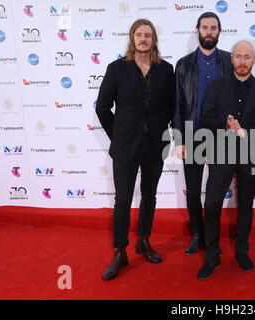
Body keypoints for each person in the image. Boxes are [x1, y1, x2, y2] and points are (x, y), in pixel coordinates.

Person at [96, 19, 175, 280]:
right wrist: (117, 135)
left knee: (150, 196)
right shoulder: (117, 68)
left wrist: (175, 138)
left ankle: (144, 240)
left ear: (154, 39)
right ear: (132, 38)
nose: (143, 39)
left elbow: (172, 108)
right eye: (139, 35)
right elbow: (102, 107)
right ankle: (120, 251)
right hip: (126, 146)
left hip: (155, 144)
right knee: (123, 200)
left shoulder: (166, 70)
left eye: (148, 35)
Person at [197, 41, 255, 279]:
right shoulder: (216, 86)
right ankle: (212, 255)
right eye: (238, 57)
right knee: (211, 204)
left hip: (249, 153)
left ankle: (242, 251)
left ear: (254, 60)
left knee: (245, 206)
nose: (242, 61)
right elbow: (205, 119)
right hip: (221, 152)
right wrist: (225, 124)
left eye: (247, 57)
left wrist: (243, 130)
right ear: (231, 59)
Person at [173, 12, 233, 255]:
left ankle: (212, 236)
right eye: (205, 27)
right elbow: (176, 104)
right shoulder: (183, 64)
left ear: (219, 32)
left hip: (222, 138)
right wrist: (178, 139)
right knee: (194, 190)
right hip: (192, 135)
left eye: (214, 28)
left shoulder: (229, 61)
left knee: (216, 192)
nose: (209, 31)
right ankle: (197, 234)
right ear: (197, 30)